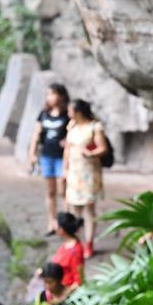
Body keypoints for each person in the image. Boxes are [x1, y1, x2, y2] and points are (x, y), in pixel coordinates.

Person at [63, 99, 107, 259]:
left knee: (89, 209)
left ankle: (88, 242)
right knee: (75, 209)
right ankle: (76, 242)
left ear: (78, 111)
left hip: (89, 172)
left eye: (70, 110)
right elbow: (67, 148)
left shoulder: (95, 127)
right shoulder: (71, 126)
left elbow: (103, 148)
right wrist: (65, 168)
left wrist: (91, 153)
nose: (68, 113)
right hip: (74, 172)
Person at [27, 83, 70, 235]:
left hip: (62, 157)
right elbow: (36, 134)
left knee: (63, 190)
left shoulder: (67, 114)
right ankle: (51, 222)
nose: (49, 97)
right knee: (50, 191)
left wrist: (68, 141)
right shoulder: (44, 114)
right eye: (48, 95)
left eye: (52, 94)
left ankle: (65, 222)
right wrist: (31, 154)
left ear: (61, 95)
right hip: (47, 156)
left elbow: (74, 132)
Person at [51, 212, 84, 288]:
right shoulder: (66, 245)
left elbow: (79, 280)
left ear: (61, 230)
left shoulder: (75, 252)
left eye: (55, 226)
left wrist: (64, 293)